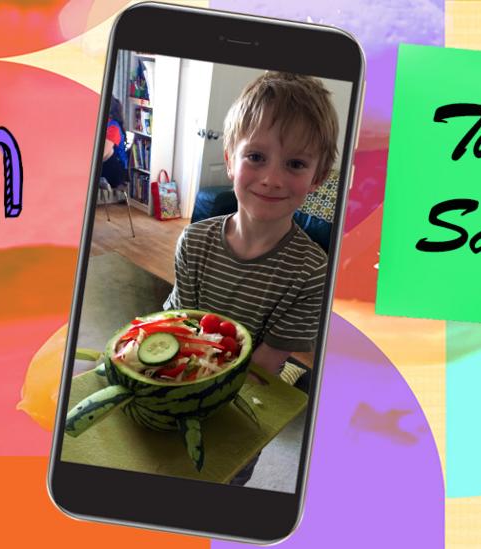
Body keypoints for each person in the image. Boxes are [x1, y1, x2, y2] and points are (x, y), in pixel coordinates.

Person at [162, 71, 338, 486]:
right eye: (256, 157)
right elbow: (176, 322)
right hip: (175, 384)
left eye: (295, 163)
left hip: (240, 404)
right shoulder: (195, 240)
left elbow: (262, 366)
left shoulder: (311, 271)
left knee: (224, 482)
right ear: (229, 158)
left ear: (317, 177)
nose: (272, 178)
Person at [101, 97, 129, 190]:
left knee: (108, 151)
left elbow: (104, 153)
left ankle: (101, 180)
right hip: (108, 166)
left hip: (116, 171)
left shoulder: (113, 127)